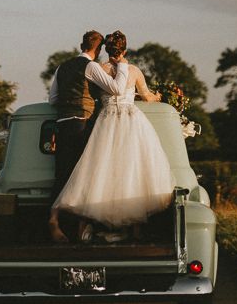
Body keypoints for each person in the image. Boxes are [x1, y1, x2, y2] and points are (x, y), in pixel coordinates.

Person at [52, 31, 174, 239]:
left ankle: (82, 225)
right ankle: (133, 229)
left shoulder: (98, 68)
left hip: (106, 121)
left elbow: (95, 94)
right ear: (125, 50)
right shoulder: (133, 70)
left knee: (99, 170)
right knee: (132, 168)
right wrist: (159, 96)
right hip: (130, 121)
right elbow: (143, 95)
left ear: (106, 50)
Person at [47, 30, 129, 243]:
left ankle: (54, 220)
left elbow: (53, 99)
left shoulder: (61, 67)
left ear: (80, 44)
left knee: (62, 175)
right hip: (81, 124)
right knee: (85, 175)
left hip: (62, 124)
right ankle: (82, 226)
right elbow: (117, 89)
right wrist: (123, 66)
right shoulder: (90, 66)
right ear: (99, 49)